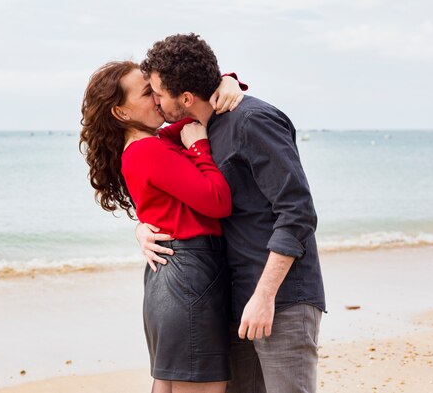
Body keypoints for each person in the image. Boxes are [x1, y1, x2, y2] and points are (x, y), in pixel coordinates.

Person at [136, 33, 326, 393]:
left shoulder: (253, 120)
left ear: (186, 98)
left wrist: (264, 295)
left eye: (158, 93)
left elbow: (298, 213)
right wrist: (142, 229)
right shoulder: (199, 131)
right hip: (235, 300)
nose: (156, 102)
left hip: (281, 299)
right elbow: (171, 193)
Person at [80, 61, 248, 393]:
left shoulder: (154, 141)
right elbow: (218, 202)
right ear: (122, 113)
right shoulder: (148, 149)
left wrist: (226, 80)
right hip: (190, 278)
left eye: (156, 87)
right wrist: (200, 149)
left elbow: (192, 109)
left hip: (175, 279)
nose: (158, 96)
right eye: (147, 92)